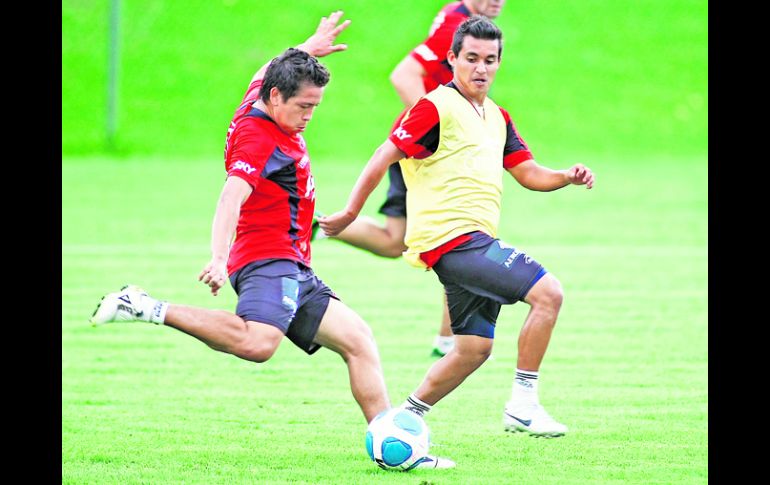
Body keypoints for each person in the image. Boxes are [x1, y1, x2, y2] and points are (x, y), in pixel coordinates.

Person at [89, 11, 454, 469]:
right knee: (259, 344)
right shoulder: (257, 138)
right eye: (304, 106)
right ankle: (143, 306)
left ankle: (392, 449)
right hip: (266, 258)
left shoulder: (262, 94)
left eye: (316, 106)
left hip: (294, 261)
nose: (309, 116)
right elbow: (231, 195)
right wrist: (218, 258)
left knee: (358, 339)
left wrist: (310, 46)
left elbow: (267, 67)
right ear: (277, 98)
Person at [320, 15, 594, 438]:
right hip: (452, 241)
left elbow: (528, 173)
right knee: (549, 293)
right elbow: (382, 155)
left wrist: (565, 176)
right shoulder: (434, 107)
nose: (480, 68)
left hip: (473, 240)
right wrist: (351, 213)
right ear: (451, 59)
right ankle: (523, 404)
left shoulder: (498, 117)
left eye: (489, 59)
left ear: (499, 62)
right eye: (471, 58)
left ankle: (402, 420)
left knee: (472, 349)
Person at [316, 0, 507, 358]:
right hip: (425, 153)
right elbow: (403, 74)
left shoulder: (461, 19)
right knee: (464, 238)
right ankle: (449, 342)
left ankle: (315, 226)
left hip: (418, 148)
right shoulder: (457, 24)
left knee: (395, 241)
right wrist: (442, 127)